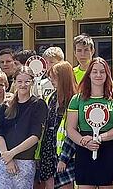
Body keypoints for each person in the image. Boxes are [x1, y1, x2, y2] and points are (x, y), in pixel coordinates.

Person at [66, 57, 113, 189]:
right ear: (89, 74)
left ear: (107, 74)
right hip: (85, 148)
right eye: (95, 71)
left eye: (102, 72)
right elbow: (70, 129)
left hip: (109, 148)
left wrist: (100, 138)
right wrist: (84, 141)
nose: (98, 75)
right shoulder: (77, 99)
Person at [0, 67, 48, 189]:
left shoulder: (38, 104)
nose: (23, 85)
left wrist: (12, 153)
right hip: (4, 160)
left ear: (32, 82)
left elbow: (35, 136)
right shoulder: (6, 105)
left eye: (27, 81)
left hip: (25, 160)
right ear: (14, 82)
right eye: (19, 81)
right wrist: (7, 157)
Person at [38, 61, 78, 189]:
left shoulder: (74, 99)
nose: (51, 80)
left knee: (64, 185)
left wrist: (64, 158)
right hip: (49, 149)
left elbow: (73, 130)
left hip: (65, 152)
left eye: (54, 77)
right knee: (49, 184)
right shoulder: (52, 97)